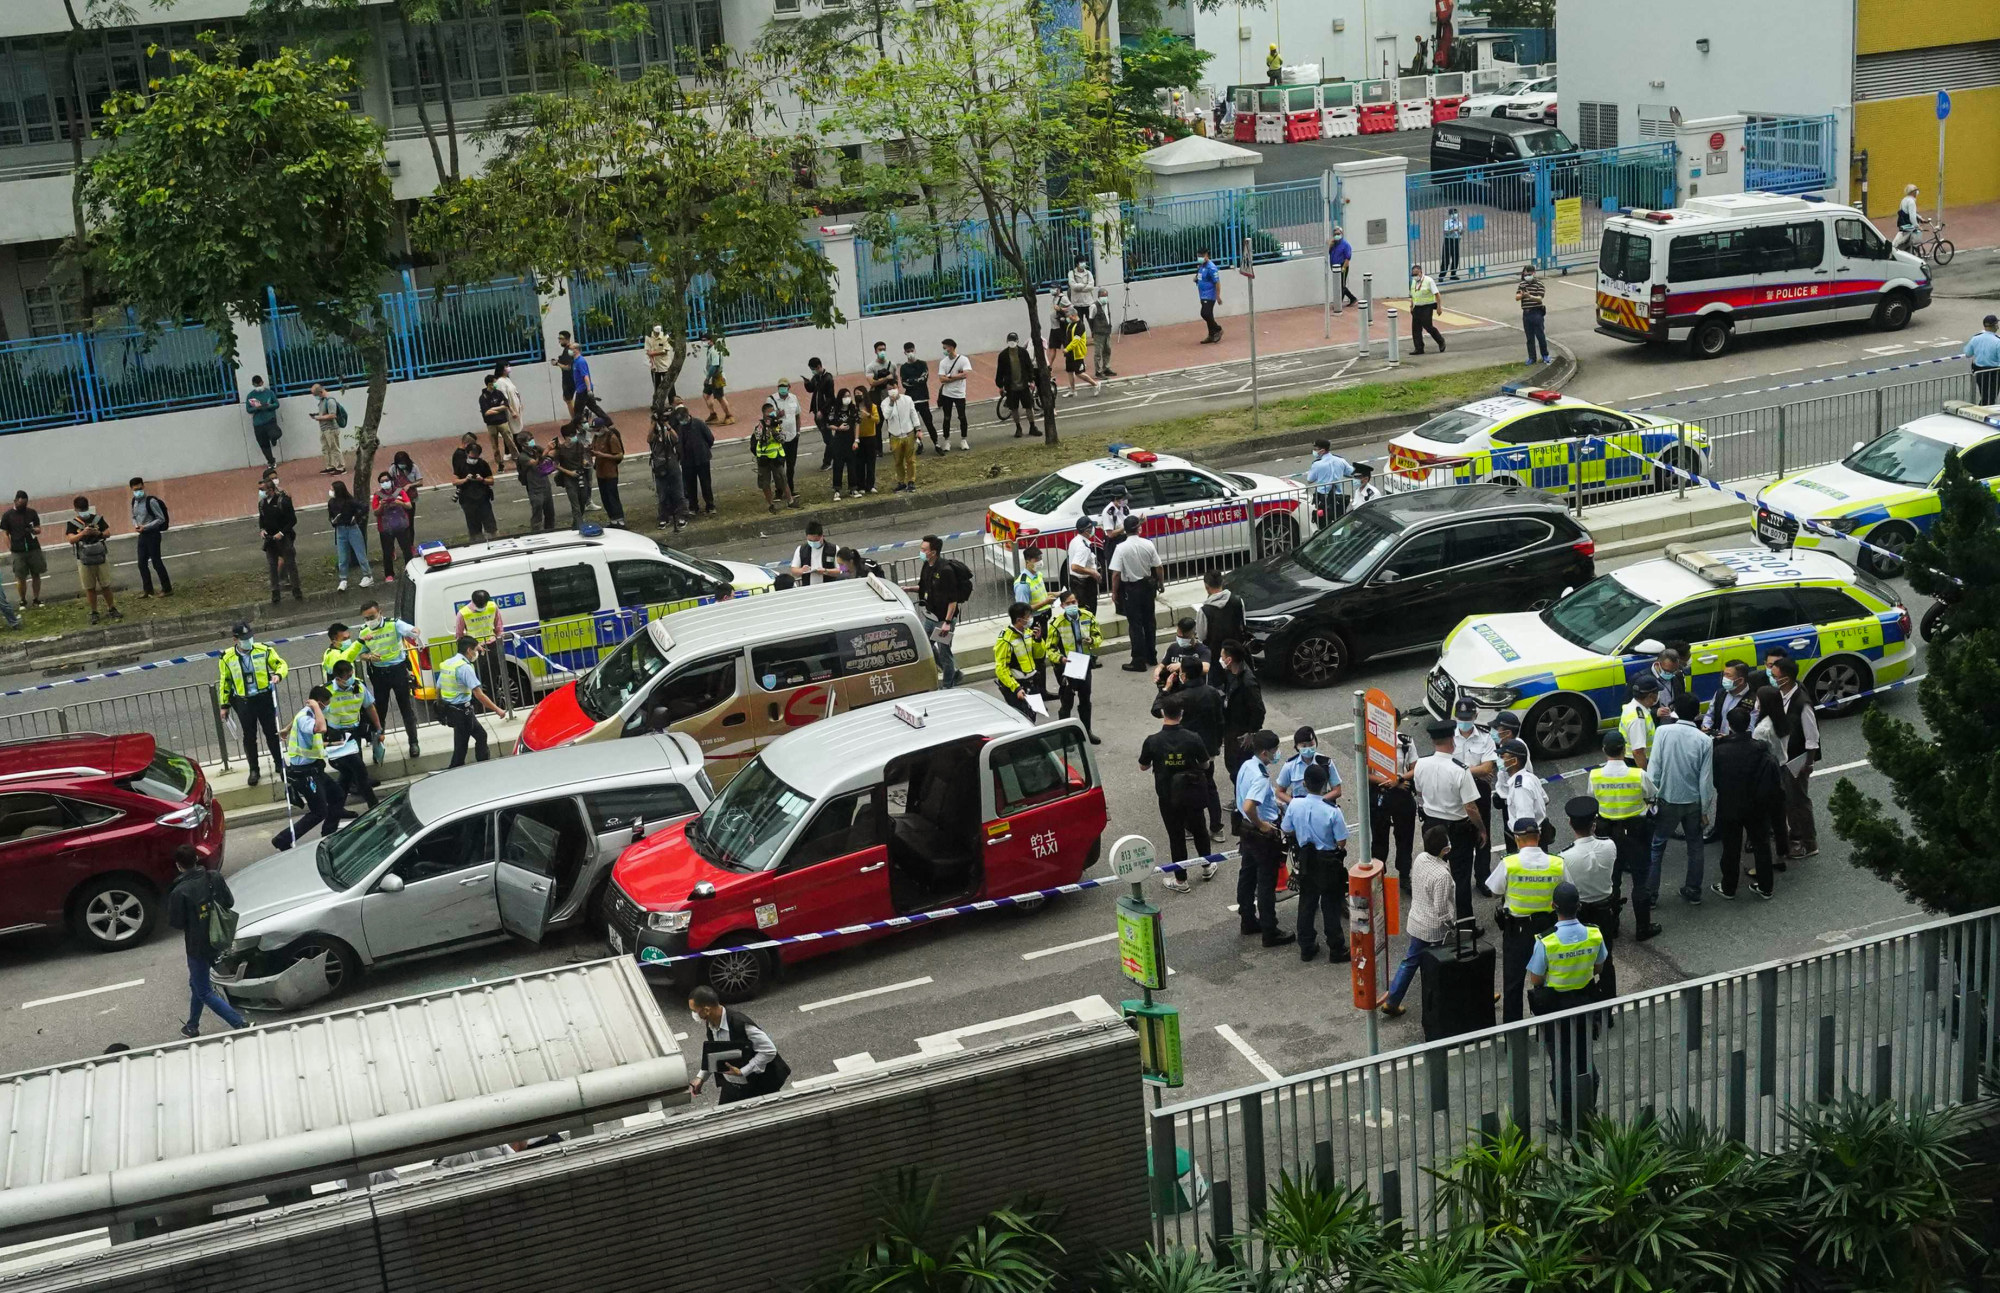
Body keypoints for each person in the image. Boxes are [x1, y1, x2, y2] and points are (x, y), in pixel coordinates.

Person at [1526, 882, 1608, 1132]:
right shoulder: (1594, 934)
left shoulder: (1546, 941)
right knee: (1585, 1060)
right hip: (1585, 1006)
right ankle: (1589, 1112)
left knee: (1561, 1065)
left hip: (1556, 1010)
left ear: (1553, 907)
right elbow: (1598, 967)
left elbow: (1536, 978)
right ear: (1579, 907)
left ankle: (1565, 1121)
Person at [1485, 816, 1564, 1023]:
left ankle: (1513, 1037)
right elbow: (1567, 891)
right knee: (1549, 979)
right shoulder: (1557, 863)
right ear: (1538, 837)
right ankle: (1549, 1026)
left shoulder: (1509, 863)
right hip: (1548, 929)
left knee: (1513, 983)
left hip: (1517, 931)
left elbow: (1493, 890)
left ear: (1518, 839)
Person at [166, 847, 248, 1037]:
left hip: (197, 946)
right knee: (196, 982)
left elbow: (176, 923)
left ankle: (240, 1024)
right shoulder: (214, 877)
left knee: (203, 991)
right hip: (219, 939)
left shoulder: (179, 892)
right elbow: (229, 902)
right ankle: (192, 1025)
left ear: (179, 866)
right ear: (197, 858)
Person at [1646, 693, 1714, 920]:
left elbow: (1654, 768)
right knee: (1695, 846)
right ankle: (1693, 889)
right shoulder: (1704, 740)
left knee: (1657, 847)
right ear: (1696, 713)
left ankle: (1651, 894)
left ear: (1674, 710)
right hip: (1693, 802)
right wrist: (1705, 809)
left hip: (1666, 799)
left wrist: (1650, 798)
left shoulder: (1663, 732)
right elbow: (1706, 779)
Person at [1140, 694, 1215, 892]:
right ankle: (1207, 865)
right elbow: (1206, 763)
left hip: (1167, 796)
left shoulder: (1153, 741)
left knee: (1176, 836)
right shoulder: (1193, 738)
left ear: (1163, 713)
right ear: (1181, 714)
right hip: (1191, 791)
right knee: (1200, 829)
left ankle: (1181, 880)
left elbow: (1143, 766)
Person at [1380, 825, 1456, 1017]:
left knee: (1410, 960)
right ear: (1444, 850)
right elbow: (1440, 908)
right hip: (1435, 929)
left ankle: (1392, 1000)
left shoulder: (1421, 859)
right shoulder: (1442, 875)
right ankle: (1471, 996)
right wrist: (1451, 925)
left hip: (1417, 920)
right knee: (1452, 960)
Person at [1414, 718, 1485, 919]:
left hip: (1431, 825)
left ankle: (1436, 919)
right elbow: (1470, 806)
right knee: (1460, 877)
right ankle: (1465, 924)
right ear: (1452, 740)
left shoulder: (1421, 764)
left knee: (1434, 872)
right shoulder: (1459, 769)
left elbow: (1419, 794)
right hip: (1458, 829)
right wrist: (1481, 828)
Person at [1710, 704, 1782, 901]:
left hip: (1730, 804)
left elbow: (1716, 781)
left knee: (1731, 847)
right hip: (1757, 804)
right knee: (1761, 844)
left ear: (1730, 726)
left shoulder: (1720, 751)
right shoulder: (1760, 748)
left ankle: (1729, 886)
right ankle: (1766, 886)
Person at [1284, 762, 1351, 964]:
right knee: (1330, 904)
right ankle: (1336, 948)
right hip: (1328, 860)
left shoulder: (1295, 804)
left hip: (1305, 858)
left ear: (1304, 784)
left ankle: (1306, 946)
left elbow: (1287, 829)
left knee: (1307, 901)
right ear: (1324, 786)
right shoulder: (1332, 811)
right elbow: (1341, 841)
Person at [1236, 730, 1293, 947]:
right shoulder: (1260, 776)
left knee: (1247, 876)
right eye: (1274, 750)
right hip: (1260, 833)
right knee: (1266, 883)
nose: (1277, 754)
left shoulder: (1247, 765)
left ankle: (1247, 919)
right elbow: (1250, 805)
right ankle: (1270, 931)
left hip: (1245, 829)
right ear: (1264, 752)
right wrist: (1262, 825)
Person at [270, 687, 345, 850]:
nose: (327, 708)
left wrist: (287, 729)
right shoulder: (307, 717)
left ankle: (328, 834)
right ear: (318, 704)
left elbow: (299, 719)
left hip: (315, 769)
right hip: (305, 774)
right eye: (325, 705)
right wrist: (318, 708)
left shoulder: (306, 713)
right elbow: (320, 728)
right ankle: (283, 839)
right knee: (319, 812)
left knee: (338, 795)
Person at [688, 984, 789, 1104]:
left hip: (757, 1086)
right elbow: (715, 1053)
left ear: (706, 1010)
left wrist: (743, 1071)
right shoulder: (711, 1024)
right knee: (724, 1117)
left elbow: (769, 1051)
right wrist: (701, 1078)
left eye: (694, 1011)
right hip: (731, 1084)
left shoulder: (740, 1024)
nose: (693, 1014)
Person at [1587, 732, 1645, 936]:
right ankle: (1643, 927)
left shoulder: (1594, 775)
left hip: (1607, 831)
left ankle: (1612, 925)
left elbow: (1592, 800)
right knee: (1640, 878)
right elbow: (1652, 795)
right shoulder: (1637, 774)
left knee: (1613, 878)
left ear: (1604, 750)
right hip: (1635, 831)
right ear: (1624, 749)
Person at [218, 621, 287, 786]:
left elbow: (281, 664)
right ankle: (254, 769)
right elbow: (225, 681)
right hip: (244, 701)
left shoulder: (264, 650)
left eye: (249, 637)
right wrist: (224, 705)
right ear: (235, 639)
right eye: (244, 638)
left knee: (271, 732)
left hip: (263, 698)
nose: (248, 640)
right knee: (249, 737)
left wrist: (278, 674)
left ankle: (279, 763)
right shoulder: (227, 657)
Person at [357, 599, 423, 758]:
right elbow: (361, 654)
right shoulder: (364, 632)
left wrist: (414, 632)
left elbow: (413, 630)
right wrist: (370, 657)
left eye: (372, 616)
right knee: (380, 711)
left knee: (406, 708)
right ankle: (378, 745)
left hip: (398, 670)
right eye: (366, 618)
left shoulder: (394, 624)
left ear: (380, 613)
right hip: (379, 674)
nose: (370, 621)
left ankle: (413, 743)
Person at [1771, 655, 1820, 861]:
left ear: (1787, 678)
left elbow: (1812, 738)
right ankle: (1795, 836)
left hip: (1796, 761)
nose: (1772, 678)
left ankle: (1808, 842)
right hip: (1783, 757)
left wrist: (1807, 764)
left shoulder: (1802, 703)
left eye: (1775, 675)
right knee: (1788, 801)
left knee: (1798, 801)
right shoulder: (1783, 695)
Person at [435, 634, 506, 767]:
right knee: (460, 751)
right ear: (469, 651)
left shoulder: (448, 664)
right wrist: (498, 710)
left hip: (454, 710)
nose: (476, 653)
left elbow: (438, 688)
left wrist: (441, 708)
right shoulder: (465, 668)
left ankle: (483, 765)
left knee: (480, 736)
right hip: (462, 713)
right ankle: (456, 773)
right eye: (475, 650)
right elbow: (479, 695)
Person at [1176, 658, 1228, 838]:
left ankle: (1192, 827)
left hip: (1188, 749)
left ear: (1184, 674)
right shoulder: (1213, 692)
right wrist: (1218, 742)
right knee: (1210, 785)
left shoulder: (1182, 696)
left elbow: (1161, 709)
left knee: (1189, 788)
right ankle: (1216, 827)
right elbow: (1220, 720)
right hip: (1208, 748)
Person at [322, 658, 381, 812]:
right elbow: (314, 714)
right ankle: (374, 805)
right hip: (337, 737)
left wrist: (379, 728)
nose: (351, 678)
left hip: (354, 734)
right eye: (347, 676)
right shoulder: (327, 691)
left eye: (351, 674)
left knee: (347, 774)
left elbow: (369, 707)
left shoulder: (359, 686)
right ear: (338, 678)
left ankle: (336, 809)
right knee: (360, 770)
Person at [1560, 796, 1620, 944]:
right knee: (1606, 954)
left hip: (1581, 913)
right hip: (1605, 910)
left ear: (1570, 823)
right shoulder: (1610, 845)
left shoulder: (1564, 857)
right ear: (1594, 824)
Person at [1452, 698, 1499, 878]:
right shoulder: (1449, 736)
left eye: (1468, 717)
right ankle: (1460, 877)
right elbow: (1444, 764)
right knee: (1460, 835)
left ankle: (1483, 877)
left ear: (1475, 715)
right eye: (1461, 717)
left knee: (1483, 834)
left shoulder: (1485, 737)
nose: (1464, 721)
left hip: (1480, 791)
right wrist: (1475, 770)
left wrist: (1458, 770)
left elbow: (1487, 769)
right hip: (1455, 791)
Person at [1047, 586, 1100, 743]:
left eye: (1074, 602)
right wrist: (1060, 659)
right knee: (1067, 702)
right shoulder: (1056, 623)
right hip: (1066, 667)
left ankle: (1086, 732)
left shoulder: (1088, 617)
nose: (1072, 605)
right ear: (1062, 606)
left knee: (1085, 699)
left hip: (1084, 664)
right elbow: (1049, 648)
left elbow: (1098, 636)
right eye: (1068, 603)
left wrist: (1092, 641)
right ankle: (1066, 738)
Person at [1110, 515, 1163, 671]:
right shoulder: (1148, 544)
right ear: (1138, 528)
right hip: (1148, 587)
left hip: (1132, 590)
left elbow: (1116, 574)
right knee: (1149, 622)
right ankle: (1151, 656)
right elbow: (1159, 567)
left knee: (1135, 625)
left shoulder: (1121, 548)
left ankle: (1138, 660)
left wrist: (1114, 592)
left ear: (1125, 530)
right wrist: (1161, 583)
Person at [918, 536, 971, 688]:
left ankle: (948, 685)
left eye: (924, 550)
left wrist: (947, 623)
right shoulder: (927, 565)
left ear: (933, 552)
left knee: (944, 653)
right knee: (925, 645)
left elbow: (952, 600)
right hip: (930, 617)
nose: (921, 552)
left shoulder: (946, 571)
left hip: (943, 620)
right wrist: (909, 589)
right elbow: (926, 587)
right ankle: (953, 672)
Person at [1371, 725, 1419, 889]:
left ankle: (1404, 875)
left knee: (1405, 839)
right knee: (1379, 839)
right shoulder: (1371, 741)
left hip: (1402, 793)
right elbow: (1366, 773)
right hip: (1380, 794)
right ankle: (1378, 877)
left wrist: (1398, 780)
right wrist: (1390, 782)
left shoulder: (1405, 742)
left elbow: (1415, 767)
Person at [1217, 640, 1265, 794]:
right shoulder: (1231, 674)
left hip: (1241, 732)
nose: (1221, 659)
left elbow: (1259, 710)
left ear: (1229, 660)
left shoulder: (1247, 682)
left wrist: (1251, 732)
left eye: (1222, 656)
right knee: (1232, 765)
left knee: (1239, 768)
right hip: (1230, 727)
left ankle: (1244, 800)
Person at [1751, 684, 1792, 860]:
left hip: (1766, 772)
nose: (1755, 702)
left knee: (1763, 815)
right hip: (1782, 766)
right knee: (1779, 815)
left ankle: (1766, 857)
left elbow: (1755, 752)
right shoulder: (1781, 719)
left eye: (1757, 699)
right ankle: (1782, 851)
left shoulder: (1762, 729)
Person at [63, 497, 120, 623]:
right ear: (76, 509)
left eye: (84, 509)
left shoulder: (97, 519)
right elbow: (71, 540)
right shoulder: (72, 524)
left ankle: (111, 608)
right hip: (84, 559)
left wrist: (97, 533)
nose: (83, 512)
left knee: (105, 584)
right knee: (90, 587)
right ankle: (94, 611)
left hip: (100, 556)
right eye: (80, 509)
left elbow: (108, 533)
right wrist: (82, 534)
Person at [992, 600, 1046, 721]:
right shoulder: (1005, 640)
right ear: (1019, 620)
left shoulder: (1028, 633)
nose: (1031, 619)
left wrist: (1038, 641)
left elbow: (1039, 656)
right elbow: (1001, 668)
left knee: (1032, 717)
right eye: (1028, 617)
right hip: (1017, 685)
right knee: (1023, 718)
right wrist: (1016, 688)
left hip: (1032, 682)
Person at [1492, 739, 1548, 855]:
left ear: (1514, 761)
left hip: (1528, 842)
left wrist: (1525, 850)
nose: (1499, 760)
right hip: (1536, 838)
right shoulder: (1529, 777)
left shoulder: (1520, 787)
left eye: (1503, 756)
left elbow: (1525, 825)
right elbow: (1545, 799)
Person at [124, 476, 173, 599]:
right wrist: (136, 526)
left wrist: (145, 527)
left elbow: (160, 518)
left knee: (156, 562)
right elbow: (133, 516)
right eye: (135, 489)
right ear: (131, 489)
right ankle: (148, 590)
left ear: (143, 486)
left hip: (153, 534)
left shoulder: (151, 501)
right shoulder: (134, 502)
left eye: (140, 488)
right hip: (142, 535)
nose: (138, 491)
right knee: (141, 563)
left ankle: (167, 588)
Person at [1275, 725, 1341, 808]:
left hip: (1321, 806)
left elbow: (1337, 790)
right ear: (1297, 746)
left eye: (1311, 744)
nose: (1308, 748)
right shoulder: (1290, 766)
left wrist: (1317, 801)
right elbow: (1279, 792)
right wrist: (1295, 803)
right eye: (1304, 746)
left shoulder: (1325, 763)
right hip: (1299, 808)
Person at [324, 478, 371, 591]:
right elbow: (330, 515)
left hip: (352, 529)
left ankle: (367, 575)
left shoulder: (350, 501)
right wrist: (333, 521)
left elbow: (364, 507)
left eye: (332, 489)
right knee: (342, 556)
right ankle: (343, 579)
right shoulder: (331, 502)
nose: (330, 491)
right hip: (340, 529)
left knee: (360, 553)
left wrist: (356, 517)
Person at [2, 492, 43, 612]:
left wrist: (34, 530)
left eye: (25, 504)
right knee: (20, 576)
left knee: (36, 574)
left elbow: (38, 529)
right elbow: (5, 533)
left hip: (33, 548)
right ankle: (22, 599)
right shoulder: (8, 515)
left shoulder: (31, 513)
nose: (22, 506)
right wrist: (10, 547)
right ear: (15, 501)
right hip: (18, 550)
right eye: (20, 503)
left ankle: (36, 598)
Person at [751, 399, 794, 513]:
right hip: (763, 459)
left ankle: (790, 501)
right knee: (765, 483)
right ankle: (771, 505)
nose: (772, 414)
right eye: (769, 412)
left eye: (773, 412)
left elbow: (782, 439)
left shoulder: (777, 425)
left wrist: (774, 429)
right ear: (764, 414)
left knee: (782, 479)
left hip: (776, 458)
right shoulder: (759, 427)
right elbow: (760, 438)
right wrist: (767, 428)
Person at [673, 402, 717, 515]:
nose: (682, 421)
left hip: (702, 459)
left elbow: (710, 439)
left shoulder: (699, 424)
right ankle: (693, 507)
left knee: (706, 484)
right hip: (687, 461)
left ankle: (710, 505)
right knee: (690, 486)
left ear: (688, 415)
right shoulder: (678, 428)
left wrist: (704, 449)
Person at [452, 439, 498, 544]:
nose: (474, 458)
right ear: (467, 453)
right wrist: (465, 480)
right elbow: (454, 481)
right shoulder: (461, 465)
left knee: (490, 525)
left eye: (476, 456)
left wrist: (482, 480)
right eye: (472, 456)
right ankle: (476, 542)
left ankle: (494, 542)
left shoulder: (483, 464)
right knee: (473, 528)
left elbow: (491, 481)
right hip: (467, 500)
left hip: (483, 499)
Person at [896, 343, 940, 454]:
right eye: (907, 351)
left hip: (923, 398)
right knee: (914, 424)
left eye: (911, 350)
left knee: (929, 422)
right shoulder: (904, 368)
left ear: (915, 350)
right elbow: (905, 383)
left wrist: (913, 381)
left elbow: (924, 378)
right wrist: (917, 381)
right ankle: (919, 444)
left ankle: (936, 443)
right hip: (911, 400)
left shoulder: (922, 364)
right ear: (905, 352)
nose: (910, 353)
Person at [371, 470, 415, 579]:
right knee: (387, 552)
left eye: (387, 480)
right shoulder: (377, 496)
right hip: (385, 528)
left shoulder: (400, 492)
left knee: (407, 550)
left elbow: (409, 505)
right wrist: (381, 505)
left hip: (402, 526)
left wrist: (400, 502)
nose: (385, 483)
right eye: (382, 482)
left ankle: (410, 571)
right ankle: (389, 574)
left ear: (391, 481)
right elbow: (376, 512)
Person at [564, 342, 612, 436]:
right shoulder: (575, 361)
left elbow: (585, 376)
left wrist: (589, 390)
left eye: (571, 348)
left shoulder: (581, 361)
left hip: (583, 390)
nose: (569, 351)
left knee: (577, 411)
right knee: (593, 407)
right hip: (582, 389)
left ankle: (572, 429)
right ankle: (608, 422)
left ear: (576, 350)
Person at [514, 428, 556, 534]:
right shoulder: (522, 457)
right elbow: (534, 462)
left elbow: (550, 454)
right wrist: (546, 450)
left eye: (532, 438)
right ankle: (536, 533)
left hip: (545, 484)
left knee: (550, 512)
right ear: (523, 444)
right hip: (535, 489)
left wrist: (553, 449)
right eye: (529, 440)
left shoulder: (536, 449)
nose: (532, 441)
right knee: (537, 513)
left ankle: (551, 532)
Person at [1195, 568, 1245, 657]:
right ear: (1222, 582)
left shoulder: (1204, 611)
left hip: (1215, 656)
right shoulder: (1238, 601)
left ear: (1206, 586)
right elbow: (1242, 624)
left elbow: (1201, 636)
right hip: (1236, 654)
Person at [882, 380, 920, 494]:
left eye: (893, 387)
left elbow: (913, 413)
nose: (892, 391)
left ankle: (911, 481)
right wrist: (891, 403)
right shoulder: (884, 403)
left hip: (909, 433)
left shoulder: (907, 399)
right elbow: (886, 416)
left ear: (897, 387)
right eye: (889, 389)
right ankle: (901, 482)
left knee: (910, 460)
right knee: (898, 461)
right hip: (895, 436)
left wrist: (918, 428)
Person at [996, 333, 1036, 437]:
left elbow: (1029, 367)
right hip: (1011, 387)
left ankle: (1032, 426)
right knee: (1014, 408)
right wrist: (1000, 386)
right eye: (1010, 340)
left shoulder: (1023, 352)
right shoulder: (1003, 355)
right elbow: (999, 371)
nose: (1012, 342)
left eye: (1013, 340)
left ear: (1017, 341)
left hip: (1024, 385)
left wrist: (1031, 380)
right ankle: (1018, 428)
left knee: (1029, 406)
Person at [552, 423, 592, 528]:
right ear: (566, 437)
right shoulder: (560, 449)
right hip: (569, 479)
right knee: (575, 505)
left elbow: (582, 457)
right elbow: (555, 465)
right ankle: (580, 526)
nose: (574, 437)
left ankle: (576, 524)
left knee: (583, 500)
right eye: (572, 435)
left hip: (581, 475)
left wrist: (584, 462)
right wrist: (569, 472)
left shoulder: (578, 445)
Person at [590, 417, 627, 528]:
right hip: (600, 473)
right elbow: (593, 449)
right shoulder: (596, 437)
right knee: (605, 497)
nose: (596, 432)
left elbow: (619, 455)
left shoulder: (611, 437)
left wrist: (602, 455)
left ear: (603, 427)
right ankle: (612, 519)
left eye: (597, 429)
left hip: (610, 473)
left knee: (612, 496)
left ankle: (619, 520)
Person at [1703, 660, 1756, 735]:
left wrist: (1728, 738)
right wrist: (1706, 726)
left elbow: (1751, 730)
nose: (1724, 678)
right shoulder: (1720, 693)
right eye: (1724, 674)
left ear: (1740, 680)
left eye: (1728, 675)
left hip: (1737, 743)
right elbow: (1710, 715)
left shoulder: (1753, 701)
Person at [1305, 439, 1351, 525]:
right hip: (1338, 498)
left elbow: (1309, 480)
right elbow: (1351, 473)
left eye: (1316, 449)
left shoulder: (1317, 464)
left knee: (1323, 524)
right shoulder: (1340, 460)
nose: (1314, 451)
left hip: (1322, 499)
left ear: (1322, 450)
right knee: (1338, 523)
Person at [937, 339, 973, 451]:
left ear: (951, 347)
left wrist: (949, 378)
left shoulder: (963, 360)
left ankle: (963, 439)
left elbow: (965, 374)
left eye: (945, 348)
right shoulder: (943, 362)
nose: (944, 350)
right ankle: (947, 441)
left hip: (960, 394)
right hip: (947, 394)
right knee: (946, 417)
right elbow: (941, 379)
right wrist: (957, 376)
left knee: (962, 416)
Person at [771, 376, 803, 496]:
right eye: (780, 387)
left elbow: (797, 415)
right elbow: (767, 418)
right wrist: (776, 416)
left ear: (789, 387)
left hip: (793, 437)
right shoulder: (772, 400)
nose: (782, 389)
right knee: (779, 466)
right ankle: (779, 490)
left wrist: (798, 432)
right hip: (779, 438)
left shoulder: (793, 398)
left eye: (785, 387)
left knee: (791, 465)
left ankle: (791, 488)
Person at [824, 387, 858, 500]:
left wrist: (856, 440)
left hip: (850, 439)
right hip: (839, 440)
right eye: (844, 396)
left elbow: (857, 424)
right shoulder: (835, 409)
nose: (847, 398)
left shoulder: (853, 409)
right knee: (838, 464)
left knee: (852, 464)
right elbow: (829, 424)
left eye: (848, 396)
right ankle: (837, 490)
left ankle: (853, 488)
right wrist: (838, 428)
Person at [1620, 675, 1659, 769]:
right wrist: (1646, 776)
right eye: (1657, 692)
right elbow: (1638, 752)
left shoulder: (1632, 707)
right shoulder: (1638, 719)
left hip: (1632, 760)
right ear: (1650, 696)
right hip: (1637, 763)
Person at [1065, 516, 1102, 615]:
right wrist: (1093, 572)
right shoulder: (1083, 547)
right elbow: (1075, 566)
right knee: (1088, 615)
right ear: (1087, 530)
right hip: (1085, 585)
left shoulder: (1075, 540)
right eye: (1091, 527)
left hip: (1076, 582)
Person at [786, 519, 839, 588]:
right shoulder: (801, 550)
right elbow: (793, 570)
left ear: (822, 536)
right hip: (808, 588)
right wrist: (801, 570)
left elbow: (843, 569)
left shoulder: (834, 549)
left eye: (816, 540)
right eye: (810, 540)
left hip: (829, 587)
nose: (813, 543)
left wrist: (826, 571)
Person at [246, 374, 282, 468]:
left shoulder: (269, 393)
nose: (259, 386)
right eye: (256, 385)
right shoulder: (250, 395)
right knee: (263, 444)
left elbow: (276, 404)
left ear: (262, 382)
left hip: (270, 419)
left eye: (260, 384)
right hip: (258, 423)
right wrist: (256, 408)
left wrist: (268, 406)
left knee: (276, 434)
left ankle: (273, 439)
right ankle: (271, 461)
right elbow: (248, 409)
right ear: (253, 384)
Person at [309, 382, 346, 473]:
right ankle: (331, 466)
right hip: (324, 429)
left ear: (321, 392)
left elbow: (333, 415)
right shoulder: (322, 401)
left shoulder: (330, 401)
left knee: (334, 448)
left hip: (331, 428)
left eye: (315, 395)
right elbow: (325, 413)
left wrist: (319, 417)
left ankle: (341, 467)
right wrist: (317, 415)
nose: (315, 397)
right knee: (326, 448)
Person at [478, 373, 513, 469]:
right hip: (491, 424)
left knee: (510, 441)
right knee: (495, 446)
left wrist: (494, 409)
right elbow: (486, 412)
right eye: (494, 383)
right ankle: (500, 464)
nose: (496, 384)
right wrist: (500, 408)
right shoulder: (483, 397)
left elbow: (506, 405)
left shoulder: (499, 393)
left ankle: (516, 458)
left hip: (503, 422)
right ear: (489, 384)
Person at [1516, 265, 1550, 364]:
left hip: (1536, 312)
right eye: (1526, 274)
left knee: (1540, 335)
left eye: (1529, 274)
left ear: (1534, 273)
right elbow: (1517, 297)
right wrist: (1521, 295)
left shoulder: (1539, 284)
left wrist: (1529, 296)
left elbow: (1540, 298)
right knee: (1529, 337)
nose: (1527, 276)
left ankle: (1545, 355)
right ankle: (1532, 357)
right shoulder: (1522, 284)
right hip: (1526, 313)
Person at [1408, 262, 1444, 355]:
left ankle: (1440, 341)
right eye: (1413, 274)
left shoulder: (1429, 281)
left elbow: (1437, 294)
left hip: (1427, 306)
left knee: (1428, 326)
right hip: (1417, 307)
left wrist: (1439, 307)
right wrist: (1411, 306)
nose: (1415, 276)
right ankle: (1419, 348)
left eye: (1416, 274)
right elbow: (1413, 294)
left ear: (1421, 272)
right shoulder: (1413, 282)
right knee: (1416, 328)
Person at [492, 361, 524, 464]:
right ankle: (517, 451)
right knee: (513, 431)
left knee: (513, 429)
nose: (508, 368)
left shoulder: (507, 380)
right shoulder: (500, 382)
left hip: (515, 408)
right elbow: (504, 398)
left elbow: (515, 392)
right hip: (509, 410)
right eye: (506, 366)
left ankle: (508, 451)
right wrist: (512, 410)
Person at [1965, 315, 2000, 406]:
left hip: (1979, 371)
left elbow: (1968, 353)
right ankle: (1982, 414)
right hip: (1993, 372)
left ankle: (1982, 410)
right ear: (1995, 325)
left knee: (1984, 394)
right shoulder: (1998, 341)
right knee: (1990, 397)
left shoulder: (1975, 338)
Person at [852, 387, 882, 493]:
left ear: (864, 394)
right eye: (855, 394)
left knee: (871, 462)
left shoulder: (872, 407)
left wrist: (868, 415)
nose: (857, 395)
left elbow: (877, 420)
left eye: (859, 393)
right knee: (859, 462)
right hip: (859, 438)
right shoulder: (854, 408)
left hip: (870, 437)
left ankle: (870, 484)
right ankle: (861, 486)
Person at [700, 332, 733, 425]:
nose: (703, 342)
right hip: (711, 378)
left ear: (710, 341)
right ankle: (713, 414)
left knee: (720, 398)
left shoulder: (714, 351)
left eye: (704, 340)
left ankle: (729, 416)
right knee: (706, 395)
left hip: (716, 377)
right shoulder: (710, 349)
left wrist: (707, 377)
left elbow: (714, 366)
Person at [1195, 250, 1222, 344]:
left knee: (1205, 313)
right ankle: (1211, 335)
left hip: (1210, 294)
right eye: (1198, 256)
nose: (1200, 258)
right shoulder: (1201, 266)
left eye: (1202, 255)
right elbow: (1200, 278)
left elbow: (1217, 282)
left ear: (1207, 256)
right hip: (1203, 294)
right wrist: (1196, 279)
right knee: (1209, 314)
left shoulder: (1211, 267)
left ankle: (1218, 329)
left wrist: (1218, 296)